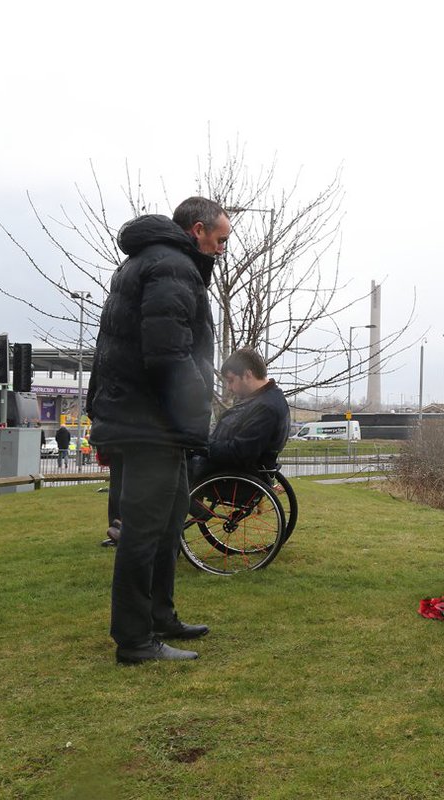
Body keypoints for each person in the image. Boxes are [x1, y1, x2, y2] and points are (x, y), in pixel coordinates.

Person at [86, 195, 229, 665]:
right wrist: (194, 416)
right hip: (151, 425)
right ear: (197, 231)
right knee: (144, 532)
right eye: (219, 239)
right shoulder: (171, 267)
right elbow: (168, 355)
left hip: (147, 420)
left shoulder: (151, 263)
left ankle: (161, 616)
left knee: (169, 526)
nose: (222, 249)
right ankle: (134, 640)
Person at [190, 347, 291, 481]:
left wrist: (201, 445)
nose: (229, 387)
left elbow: (239, 453)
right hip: (227, 469)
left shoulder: (266, 408)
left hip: (230, 475)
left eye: (231, 380)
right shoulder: (263, 400)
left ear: (248, 375)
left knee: (170, 468)